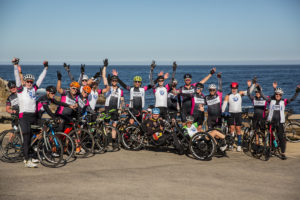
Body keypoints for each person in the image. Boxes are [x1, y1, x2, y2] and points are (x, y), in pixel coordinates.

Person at [13, 58, 48, 168]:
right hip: (24, 116)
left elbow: (41, 79)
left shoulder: (33, 89)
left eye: (31, 82)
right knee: (27, 137)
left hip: (33, 116)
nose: (29, 83)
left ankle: (32, 154)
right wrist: (15, 65)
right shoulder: (20, 90)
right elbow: (17, 78)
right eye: (27, 81)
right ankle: (26, 159)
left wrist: (46, 68)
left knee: (44, 127)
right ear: (25, 82)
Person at [267, 86, 300, 160]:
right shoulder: (271, 101)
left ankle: (282, 153)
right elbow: (263, 96)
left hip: (280, 123)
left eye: (279, 94)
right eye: (276, 94)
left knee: (281, 138)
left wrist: (297, 92)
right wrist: (259, 90)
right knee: (271, 137)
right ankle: (271, 150)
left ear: (281, 95)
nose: (277, 95)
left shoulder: (283, 101)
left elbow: (292, 99)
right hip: (272, 122)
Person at [222, 81, 253, 152]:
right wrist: (222, 112)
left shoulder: (240, 93)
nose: (234, 89)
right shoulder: (228, 95)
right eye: (232, 88)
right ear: (231, 88)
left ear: (237, 88)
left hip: (238, 113)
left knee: (238, 129)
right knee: (231, 129)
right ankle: (231, 144)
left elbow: (249, 92)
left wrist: (251, 85)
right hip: (231, 113)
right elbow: (224, 105)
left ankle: (239, 145)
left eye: (235, 88)